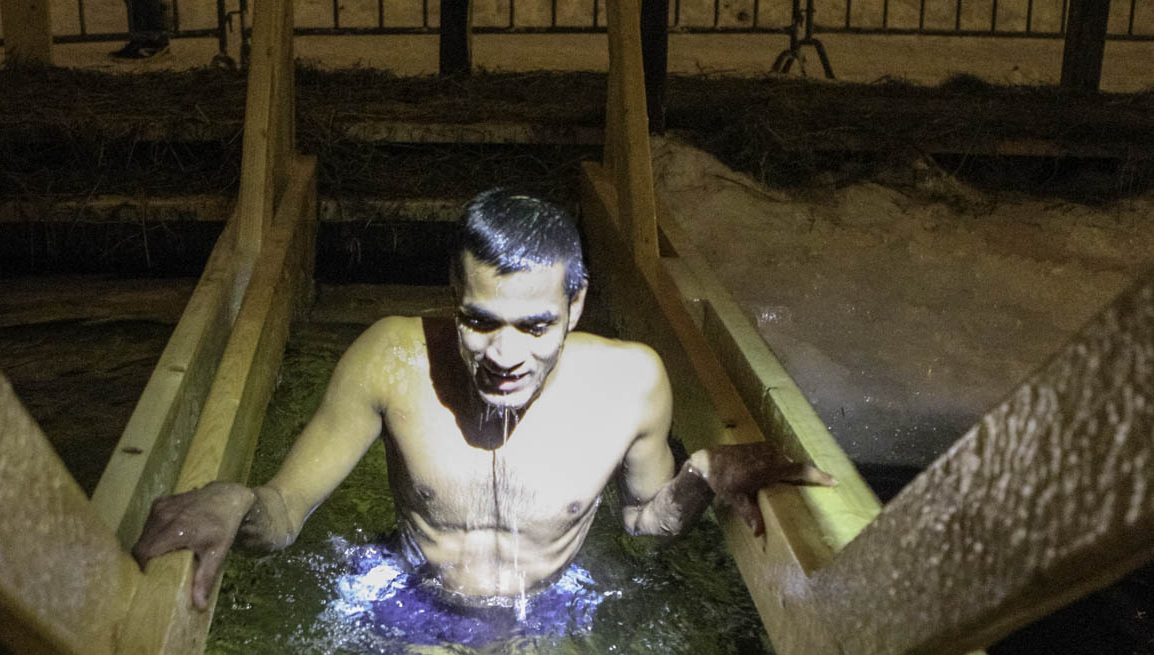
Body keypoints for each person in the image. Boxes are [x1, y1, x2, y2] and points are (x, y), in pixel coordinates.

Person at [132, 190, 834, 616]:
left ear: (576, 303)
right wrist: (235, 500)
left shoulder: (631, 384)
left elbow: (645, 521)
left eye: (534, 327)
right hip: (410, 602)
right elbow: (284, 513)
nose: (504, 357)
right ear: (451, 294)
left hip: (550, 609)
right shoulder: (393, 359)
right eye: (479, 321)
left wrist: (704, 472)